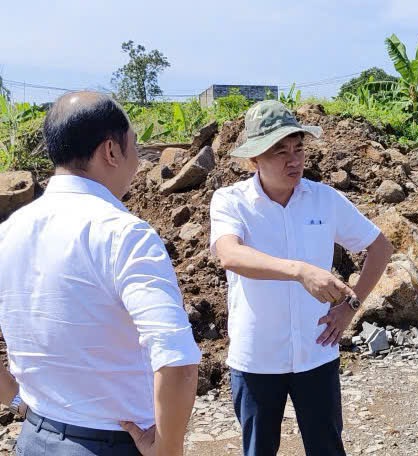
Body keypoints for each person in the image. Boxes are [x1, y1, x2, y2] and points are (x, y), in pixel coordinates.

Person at [0, 92, 201, 456]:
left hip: (34, 439)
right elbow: (178, 362)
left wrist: (18, 403)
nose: (138, 160)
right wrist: (167, 450)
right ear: (111, 151)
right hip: (111, 443)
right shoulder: (124, 234)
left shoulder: (9, 231)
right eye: (134, 145)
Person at [210, 100, 393, 455]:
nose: (293, 160)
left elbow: (380, 247)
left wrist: (351, 306)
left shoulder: (324, 200)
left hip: (316, 353)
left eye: (298, 148)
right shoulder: (231, 201)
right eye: (279, 151)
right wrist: (300, 271)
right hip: (257, 357)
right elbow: (230, 255)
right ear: (254, 159)